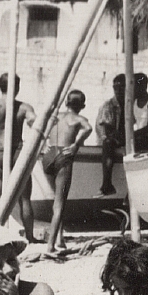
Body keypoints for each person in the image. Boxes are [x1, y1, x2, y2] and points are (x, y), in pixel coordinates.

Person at [0, 73, 39, 242]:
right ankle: (29, 236)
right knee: (25, 198)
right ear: (17, 88)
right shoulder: (24, 107)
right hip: (18, 152)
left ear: (0, 87)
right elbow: (34, 121)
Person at [42, 90, 93, 255]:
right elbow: (88, 128)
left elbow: (42, 126)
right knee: (60, 203)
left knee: (56, 201)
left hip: (48, 156)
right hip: (64, 155)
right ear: (83, 106)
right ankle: (50, 245)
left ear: (66, 103)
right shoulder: (79, 119)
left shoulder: (56, 117)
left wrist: (44, 143)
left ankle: (59, 239)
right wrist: (76, 144)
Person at [95, 74, 127, 196]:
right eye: (116, 88)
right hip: (110, 140)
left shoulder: (130, 105)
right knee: (108, 143)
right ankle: (106, 183)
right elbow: (104, 131)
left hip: (123, 140)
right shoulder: (108, 105)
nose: (119, 91)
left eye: (122, 88)